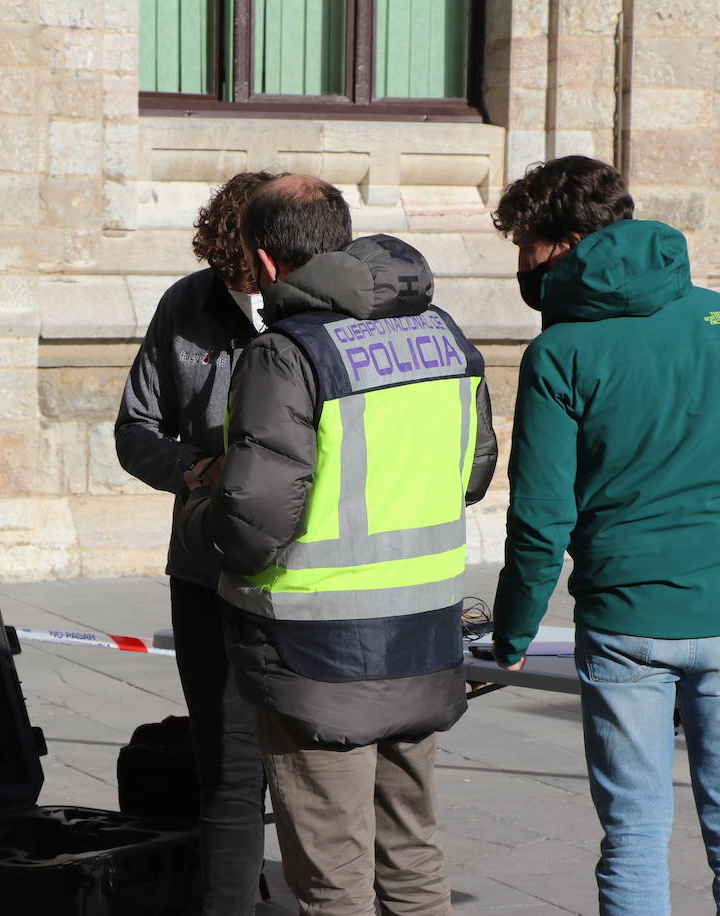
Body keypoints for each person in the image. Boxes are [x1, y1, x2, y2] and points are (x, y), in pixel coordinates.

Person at [488, 156, 720, 916]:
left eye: (525, 245)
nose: (522, 263)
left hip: (626, 623)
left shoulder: (560, 353)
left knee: (635, 833)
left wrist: (512, 634)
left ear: (565, 242)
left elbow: (539, 517)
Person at [180, 175, 497, 915]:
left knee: (331, 877)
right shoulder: (440, 333)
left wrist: (199, 512)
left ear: (262, 262)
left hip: (315, 654)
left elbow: (254, 519)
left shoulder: (287, 353)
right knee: (413, 856)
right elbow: (474, 473)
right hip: (423, 637)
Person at [115, 171, 280, 915]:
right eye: (231, 281)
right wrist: (192, 466)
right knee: (228, 772)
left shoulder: (332, 310)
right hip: (206, 568)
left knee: (319, 776)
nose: (247, 297)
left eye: (255, 281)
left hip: (302, 577)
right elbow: (135, 430)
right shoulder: (184, 303)